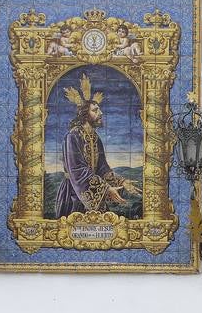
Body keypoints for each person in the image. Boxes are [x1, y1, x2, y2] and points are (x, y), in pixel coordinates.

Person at [57, 75, 140, 218]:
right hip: (74, 194)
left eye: (99, 109)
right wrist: (106, 189)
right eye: (95, 110)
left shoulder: (96, 138)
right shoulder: (73, 136)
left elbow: (103, 169)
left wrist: (122, 182)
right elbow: (78, 171)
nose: (100, 113)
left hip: (94, 191)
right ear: (84, 114)